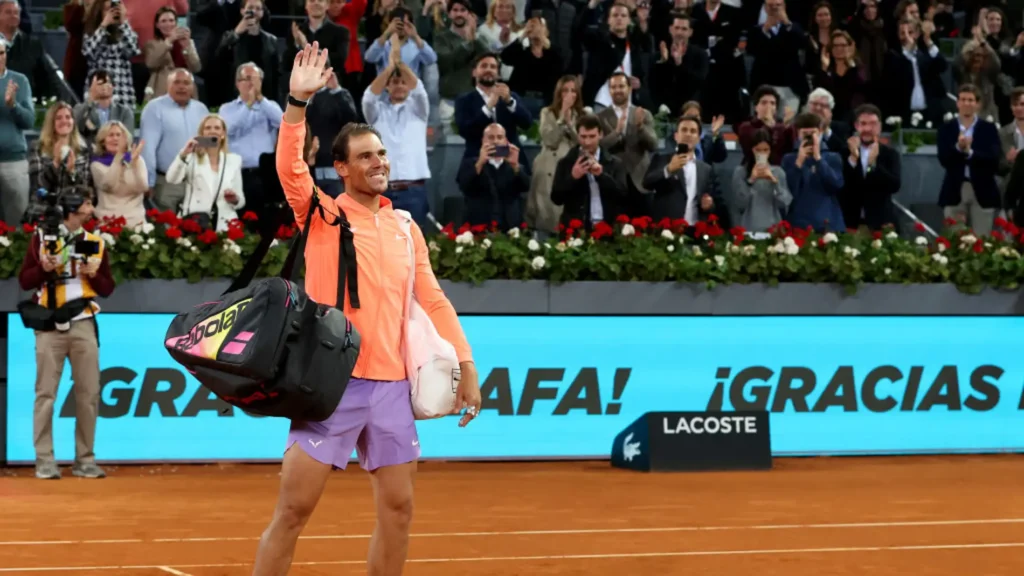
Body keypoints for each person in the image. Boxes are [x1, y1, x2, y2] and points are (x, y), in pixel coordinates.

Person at [252, 42, 483, 576]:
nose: (378, 163)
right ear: (341, 168)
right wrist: (295, 103)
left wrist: (466, 364)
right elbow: (290, 169)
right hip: (330, 386)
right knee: (293, 511)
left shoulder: (405, 227)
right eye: (365, 156)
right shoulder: (323, 215)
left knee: (399, 511)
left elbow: (434, 300)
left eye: (381, 154)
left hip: (392, 388)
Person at [17, 186, 115, 480]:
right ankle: (44, 459)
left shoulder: (95, 241)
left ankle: (85, 459)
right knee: (45, 392)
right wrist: (46, 269)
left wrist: (92, 274)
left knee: (89, 393)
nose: (90, 206)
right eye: (86, 202)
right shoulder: (42, 238)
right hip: (49, 323)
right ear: (73, 207)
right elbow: (25, 281)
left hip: (83, 320)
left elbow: (108, 288)